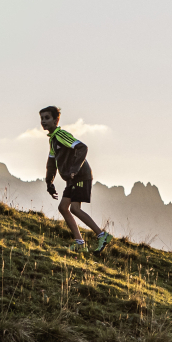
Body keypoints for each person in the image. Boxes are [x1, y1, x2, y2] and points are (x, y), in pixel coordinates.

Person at [40, 106, 114, 251]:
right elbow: (51, 163)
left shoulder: (61, 135)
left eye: (47, 118)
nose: (43, 121)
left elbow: (82, 148)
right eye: (42, 118)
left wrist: (74, 169)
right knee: (63, 207)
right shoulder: (53, 140)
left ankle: (102, 236)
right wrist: (49, 182)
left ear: (56, 120)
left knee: (74, 208)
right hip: (72, 178)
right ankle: (80, 243)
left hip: (80, 176)